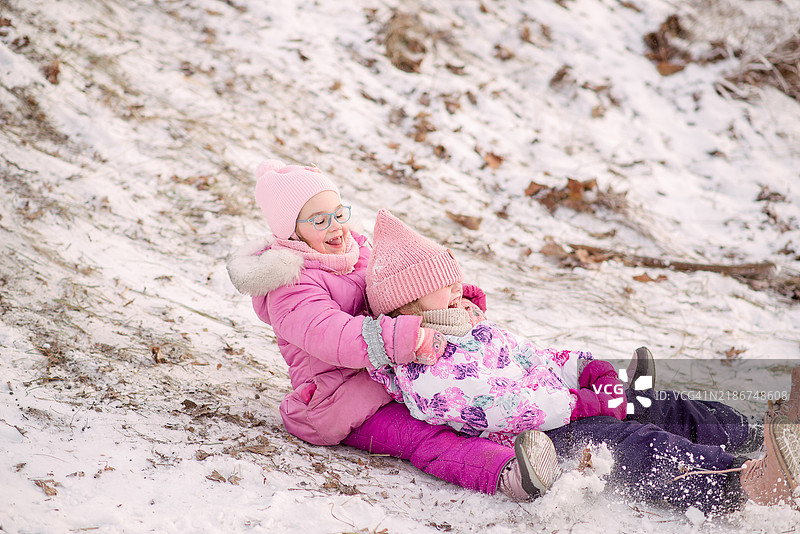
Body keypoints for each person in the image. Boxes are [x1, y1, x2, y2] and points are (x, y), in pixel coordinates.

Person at [364, 209, 800, 514]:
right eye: (442, 283)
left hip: (571, 402)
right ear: (408, 305)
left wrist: (586, 369)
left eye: (453, 276)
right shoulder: (422, 369)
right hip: (546, 434)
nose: (457, 286)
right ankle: (736, 484)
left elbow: (534, 357)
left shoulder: (471, 322)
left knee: (662, 404)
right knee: (638, 444)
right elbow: (494, 408)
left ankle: (758, 436)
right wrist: (578, 404)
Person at [226, 158, 560, 501]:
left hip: (393, 376)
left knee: (465, 397)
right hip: (343, 401)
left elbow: (397, 294)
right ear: (290, 232)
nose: (336, 227)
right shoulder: (290, 286)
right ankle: (510, 474)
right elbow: (331, 334)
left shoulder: (357, 253)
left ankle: (556, 421)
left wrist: (446, 301)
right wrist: (403, 337)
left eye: (339, 214)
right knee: (424, 436)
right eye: (320, 221)